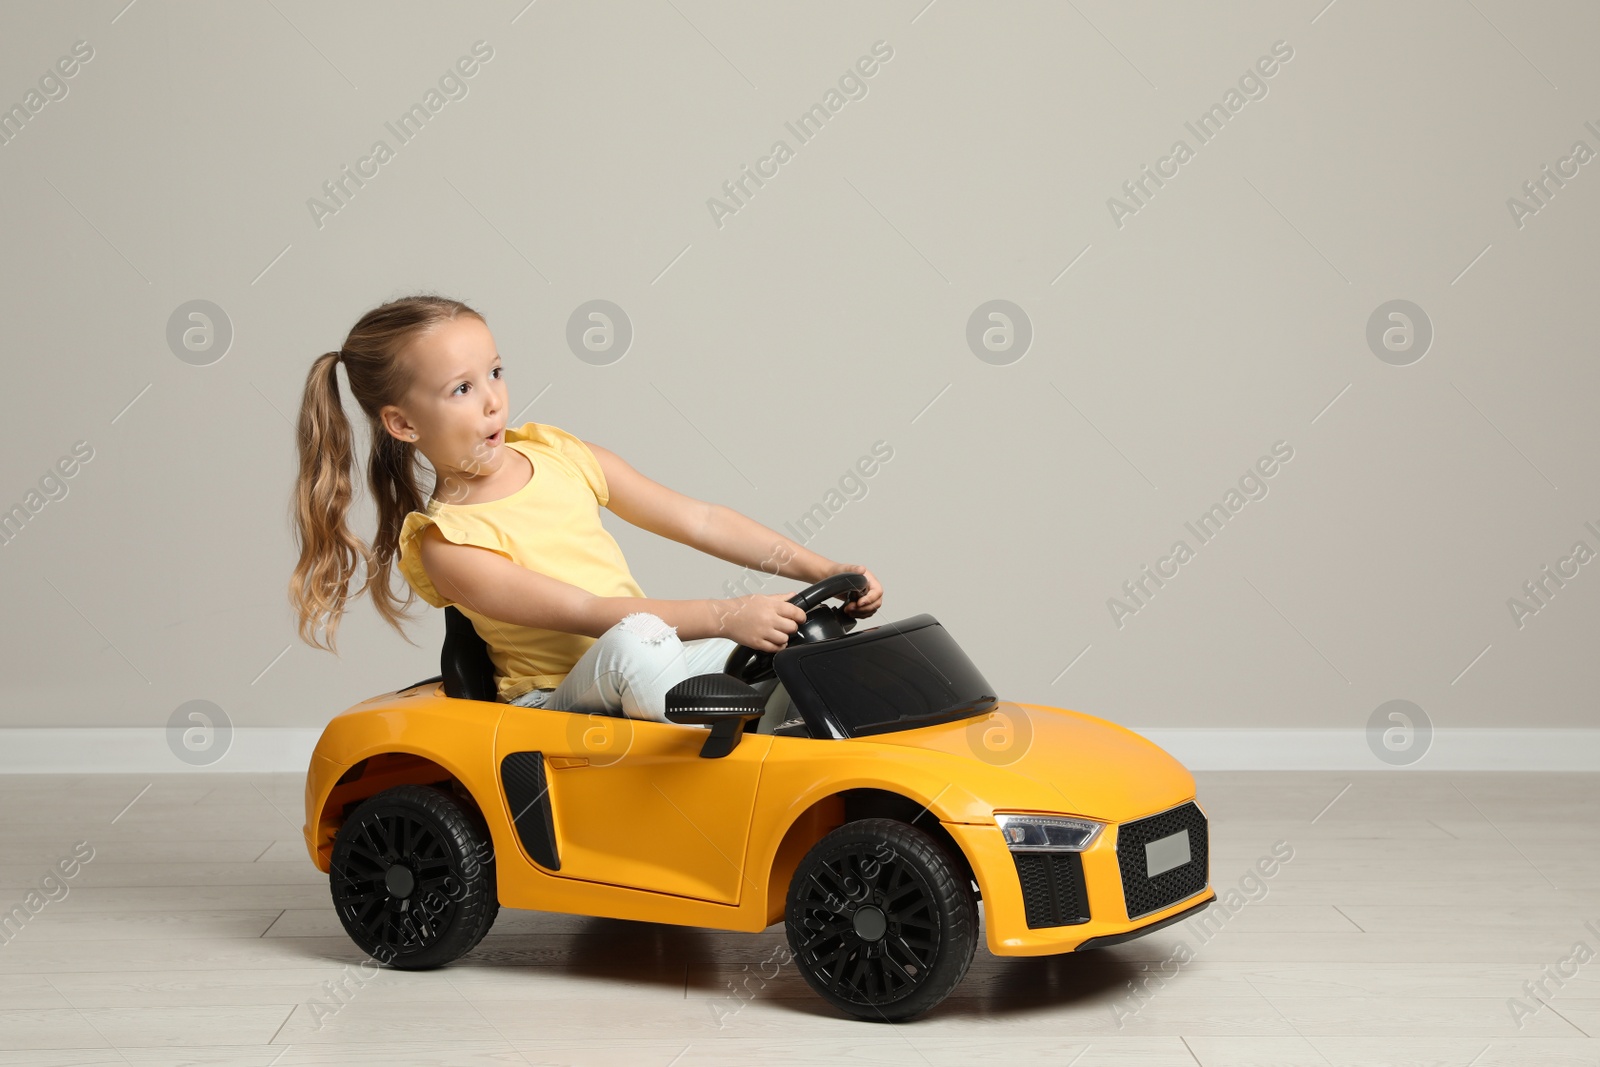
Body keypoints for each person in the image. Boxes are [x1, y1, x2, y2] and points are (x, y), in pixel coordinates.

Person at [286, 293, 883, 722]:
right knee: (632, 643)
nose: (493, 401)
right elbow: (592, 611)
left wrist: (820, 570)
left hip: (656, 658)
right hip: (554, 701)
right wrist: (729, 617)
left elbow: (700, 520)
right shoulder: (447, 543)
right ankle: (742, 733)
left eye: (495, 372)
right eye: (462, 389)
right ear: (403, 423)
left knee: (797, 634)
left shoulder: (558, 455)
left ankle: (786, 742)